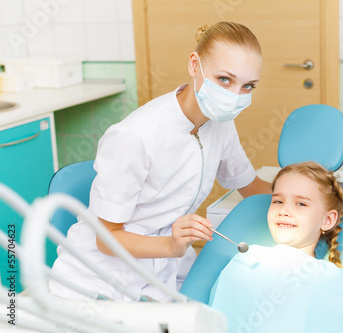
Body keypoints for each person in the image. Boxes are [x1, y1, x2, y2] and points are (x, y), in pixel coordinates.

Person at [50, 21, 271, 302]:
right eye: (224, 80)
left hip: (161, 269)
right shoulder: (135, 136)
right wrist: (170, 245)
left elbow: (250, 185)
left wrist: (308, 196)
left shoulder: (219, 124)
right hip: (98, 281)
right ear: (195, 65)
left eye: (248, 86)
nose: (234, 96)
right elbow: (106, 240)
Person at [209, 161, 343, 332]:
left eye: (301, 204)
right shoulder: (246, 262)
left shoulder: (335, 283)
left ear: (327, 220)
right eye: (278, 201)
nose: (284, 210)